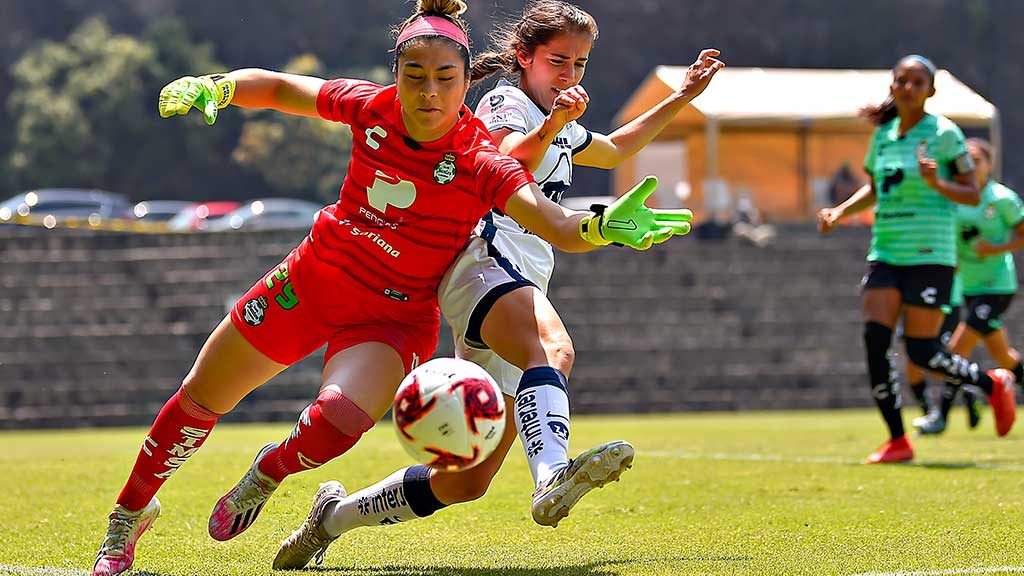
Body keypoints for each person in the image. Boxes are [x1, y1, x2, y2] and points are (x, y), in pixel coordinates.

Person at [90, 1, 695, 574]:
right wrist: (219, 85)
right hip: (315, 279)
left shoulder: (481, 157)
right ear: (396, 75)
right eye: (413, 76)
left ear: (466, 85)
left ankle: (269, 472)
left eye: (444, 79)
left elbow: (556, 224)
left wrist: (602, 224)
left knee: (336, 424)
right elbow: (278, 87)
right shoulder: (370, 107)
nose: (427, 93)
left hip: (392, 319)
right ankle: (129, 516)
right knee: (200, 399)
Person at [271, 1, 723, 569]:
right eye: (558, 60)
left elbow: (613, 150)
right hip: (483, 257)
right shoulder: (505, 102)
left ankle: (332, 519)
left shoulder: (559, 118)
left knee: (467, 479)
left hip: (519, 275)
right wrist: (556, 124)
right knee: (553, 349)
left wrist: (682, 97)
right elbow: (508, 157)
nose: (570, 75)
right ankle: (551, 476)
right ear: (522, 57)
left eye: (581, 64)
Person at [816, 54, 1016, 464]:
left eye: (917, 82)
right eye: (901, 81)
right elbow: (875, 188)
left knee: (922, 352)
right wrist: (840, 212)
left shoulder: (945, 135)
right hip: (886, 251)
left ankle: (991, 384)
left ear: (931, 91)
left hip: (931, 255)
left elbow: (972, 194)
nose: (908, 88)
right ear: (892, 87)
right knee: (874, 341)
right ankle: (897, 440)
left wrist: (935, 181)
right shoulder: (884, 135)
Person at [913, 137, 1024, 434]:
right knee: (1004, 357)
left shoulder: (1001, 198)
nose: (971, 166)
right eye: (966, 161)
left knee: (956, 349)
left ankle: (941, 417)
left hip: (997, 287)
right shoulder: (955, 200)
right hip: (967, 288)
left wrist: (996, 248)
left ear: (990, 165)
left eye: (977, 160)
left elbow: (1022, 234)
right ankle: (985, 391)